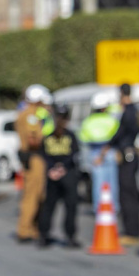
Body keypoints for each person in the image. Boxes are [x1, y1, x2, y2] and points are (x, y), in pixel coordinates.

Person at [100, 83, 139, 246]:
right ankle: (132, 231)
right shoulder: (135, 111)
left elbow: (121, 133)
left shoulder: (129, 112)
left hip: (127, 156)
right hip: (130, 154)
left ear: (121, 93)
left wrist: (108, 146)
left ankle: (132, 232)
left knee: (127, 194)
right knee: (128, 193)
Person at [38, 104, 81, 248]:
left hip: (58, 174)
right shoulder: (63, 136)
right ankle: (62, 236)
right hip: (63, 174)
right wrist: (60, 168)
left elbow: (46, 156)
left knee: (55, 206)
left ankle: (49, 236)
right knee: (58, 206)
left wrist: (54, 168)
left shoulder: (61, 136)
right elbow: (73, 154)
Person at [14, 84, 52, 243]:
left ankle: (32, 228)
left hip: (31, 157)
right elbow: (33, 139)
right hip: (34, 157)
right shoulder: (30, 115)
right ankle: (26, 229)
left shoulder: (25, 114)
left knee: (36, 194)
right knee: (33, 194)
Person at [81, 91, 120, 212]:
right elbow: (117, 137)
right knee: (112, 182)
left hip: (95, 152)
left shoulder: (88, 121)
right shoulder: (111, 120)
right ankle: (113, 208)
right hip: (110, 151)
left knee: (98, 184)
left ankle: (99, 208)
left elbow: (83, 138)